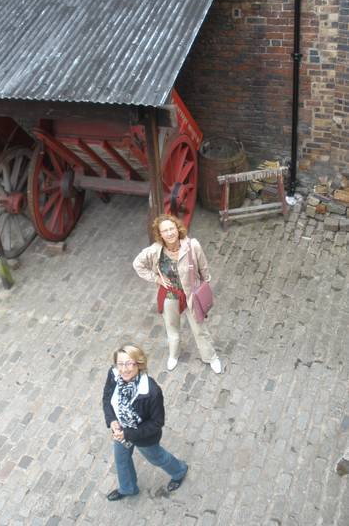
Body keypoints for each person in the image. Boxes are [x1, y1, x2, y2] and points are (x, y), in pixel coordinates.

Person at [133, 213, 222, 374]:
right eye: (165, 230)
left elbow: (204, 268)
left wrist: (205, 287)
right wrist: (156, 279)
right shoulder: (156, 250)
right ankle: (174, 355)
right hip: (170, 294)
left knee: (199, 329)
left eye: (171, 228)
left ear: (177, 228)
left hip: (191, 295)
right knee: (172, 327)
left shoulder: (192, 246)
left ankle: (211, 357)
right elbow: (137, 264)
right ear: (160, 234)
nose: (169, 233)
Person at [102, 343, 188, 501]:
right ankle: (128, 488)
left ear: (139, 364)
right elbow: (107, 397)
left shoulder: (152, 391)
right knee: (121, 460)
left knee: (157, 458)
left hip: (142, 436)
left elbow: (157, 423)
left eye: (129, 363)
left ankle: (179, 471)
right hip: (120, 430)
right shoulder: (113, 374)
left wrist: (127, 433)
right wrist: (112, 420)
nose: (124, 369)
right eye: (120, 363)